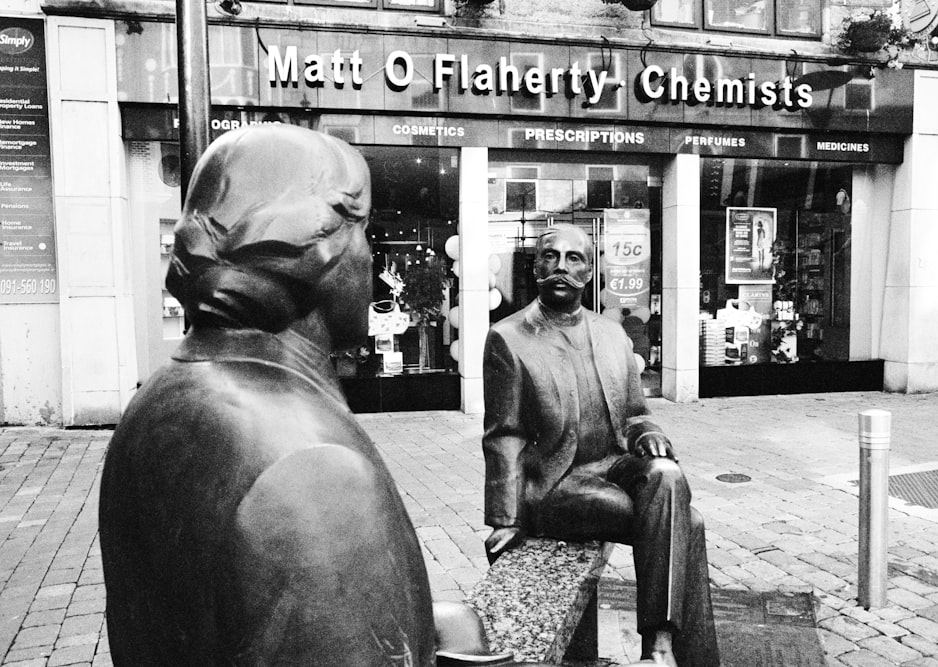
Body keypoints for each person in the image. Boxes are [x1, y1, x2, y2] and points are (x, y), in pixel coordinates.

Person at [99, 125, 499, 666]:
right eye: (365, 232)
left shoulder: (161, 396)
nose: (372, 257)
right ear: (318, 246)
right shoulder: (317, 474)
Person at [482, 224, 719, 666]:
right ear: (535, 267)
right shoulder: (508, 338)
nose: (561, 268)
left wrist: (648, 433)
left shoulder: (612, 335)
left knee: (667, 474)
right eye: (550, 257)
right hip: (557, 483)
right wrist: (505, 518)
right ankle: (668, 652)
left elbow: (634, 413)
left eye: (574, 259)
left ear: (590, 272)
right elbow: (504, 434)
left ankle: (660, 650)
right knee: (688, 523)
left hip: (614, 465)